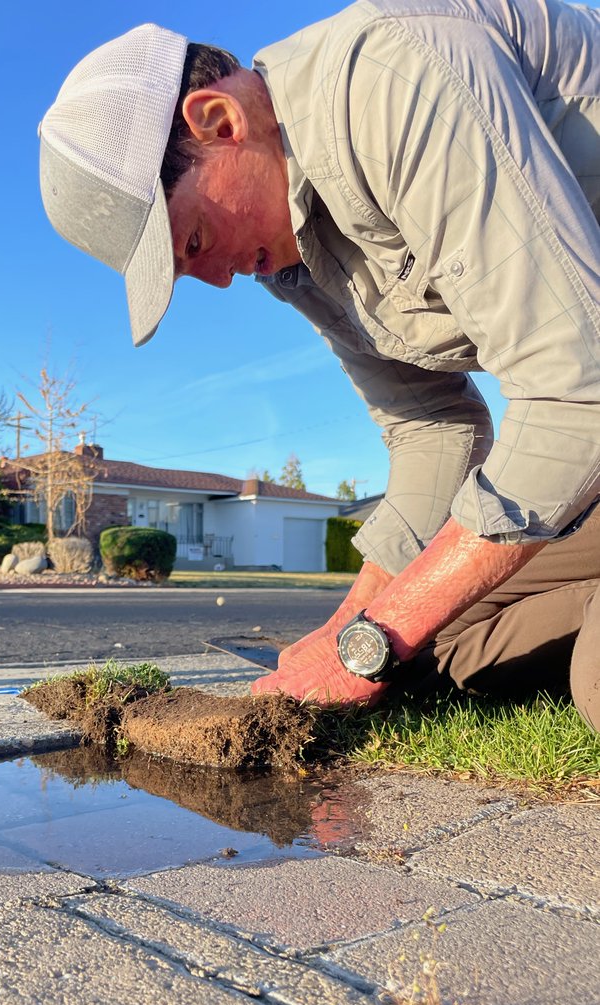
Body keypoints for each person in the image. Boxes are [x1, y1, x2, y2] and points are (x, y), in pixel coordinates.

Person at [38, 0, 600, 731]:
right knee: (440, 647)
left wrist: (371, 641)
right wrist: (350, 633)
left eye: (196, 242)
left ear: (217, 121)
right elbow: (433, 425)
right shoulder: (293, 258)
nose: (215, 281)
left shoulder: (387, 77)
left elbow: (577, 393)